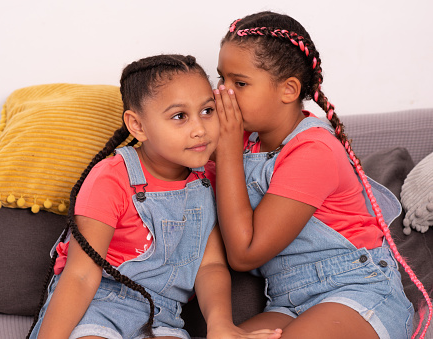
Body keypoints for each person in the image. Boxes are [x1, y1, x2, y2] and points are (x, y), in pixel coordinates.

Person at [27, 54, 282, 339]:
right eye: (179, 116)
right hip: (97, 306)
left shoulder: (209, 180)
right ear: (137, 126)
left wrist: (221, 325)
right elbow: (81, 275)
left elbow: (209, 265)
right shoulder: (111, 178)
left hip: (162, 317)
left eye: (207, 111)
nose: (200, 129)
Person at [213, 11, 432, 339]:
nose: (224, 94)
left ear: (288, 90)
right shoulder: (244, 145)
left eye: (239, 83)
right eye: (221, 79)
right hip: (287, 302)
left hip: (358, 293)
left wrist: (227, 151)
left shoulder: (313, 150)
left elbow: (245, 253)